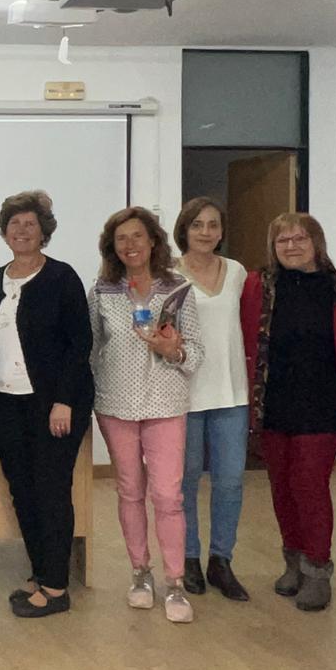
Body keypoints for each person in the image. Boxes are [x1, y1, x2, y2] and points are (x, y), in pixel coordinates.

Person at [240, 212, 336, 612]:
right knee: (281, 489)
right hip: (273, 405)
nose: (291, 246)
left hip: (322, 408)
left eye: (299, 238)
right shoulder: (256, 289)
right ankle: (294, 561)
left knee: (311, 488)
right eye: (282, 240)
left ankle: (318, 569)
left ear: (317, 243)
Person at [0, 191, 94, 618]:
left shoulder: (61, 277)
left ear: (44, 232)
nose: (21, 231)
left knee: (51, 491)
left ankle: (56, 587)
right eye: (14, 224)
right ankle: (42, 571)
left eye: (30, 224)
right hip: (4, 403)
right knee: (22, 491)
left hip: (53, 406)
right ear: (4, 233)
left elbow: (80, 343)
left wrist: (64, 400)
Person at [88, 206, 202, 624]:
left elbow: (196, 352)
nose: (130, 245)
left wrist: (174, 351)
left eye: (137, 236)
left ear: (153, 241)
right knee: (130, 491)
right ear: (112, 247)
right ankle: (140, 574)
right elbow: (91, 348)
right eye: (121, 238)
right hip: (115, 405)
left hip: (166, 404)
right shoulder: (102, 292)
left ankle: (175, 583)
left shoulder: (178, 289)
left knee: (168, 496)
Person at [172, 197, 251, 602]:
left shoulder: (237, 272)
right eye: (197, 225)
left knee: (230, 481)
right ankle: (188, 558)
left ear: (222, 231)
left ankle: (221, 561)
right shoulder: (168, 274)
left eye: (213, 225)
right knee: (185, 481)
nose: (205, 232)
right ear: (183, 230)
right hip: (184, 394)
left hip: (231, 392)